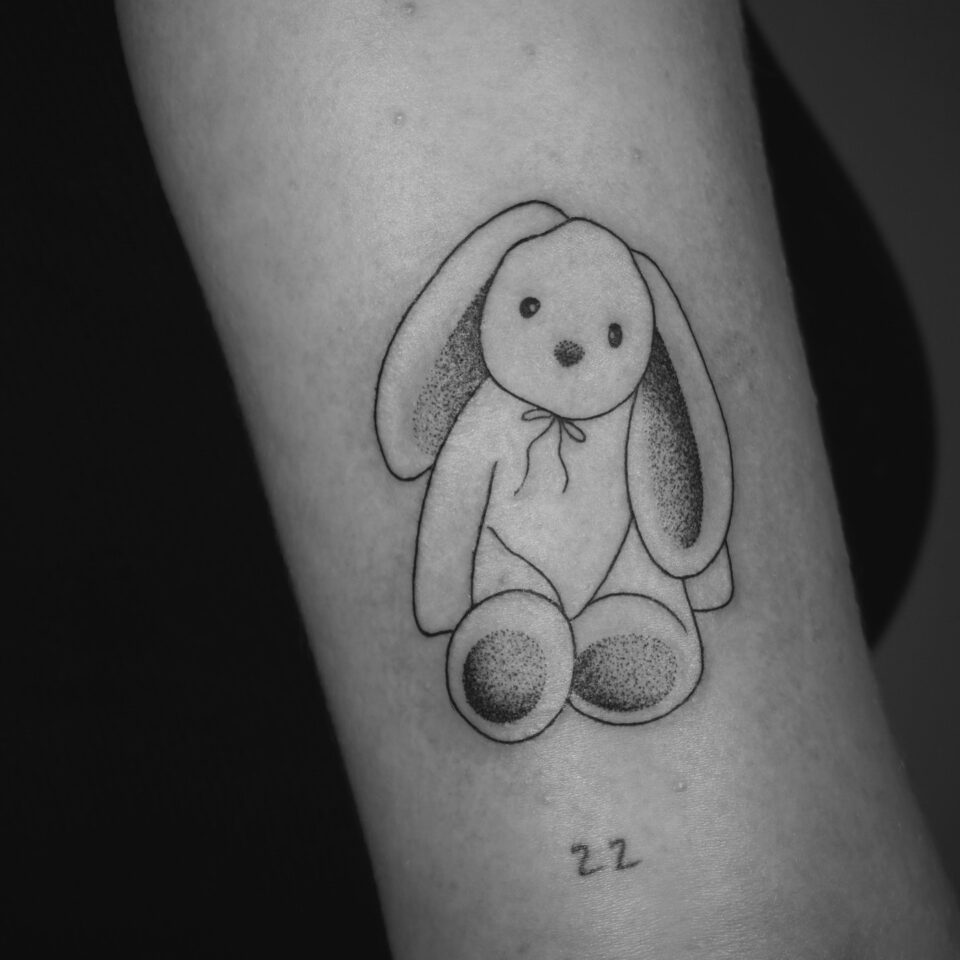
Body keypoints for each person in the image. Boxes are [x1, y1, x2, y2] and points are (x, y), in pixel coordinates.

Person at [116, 2, 959, 956]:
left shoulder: (636, 407)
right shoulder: (488, 419)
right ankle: (516, 636)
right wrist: (448, 601)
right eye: (530, 312)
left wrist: (696, 567)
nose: (567, 349)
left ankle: (623, 631)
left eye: (610, 332)